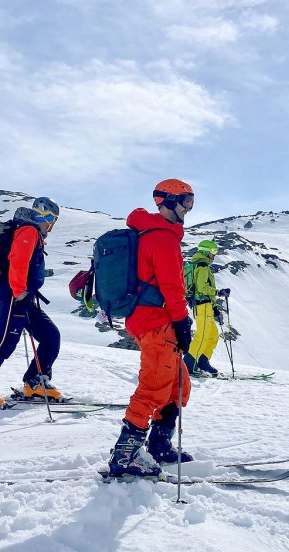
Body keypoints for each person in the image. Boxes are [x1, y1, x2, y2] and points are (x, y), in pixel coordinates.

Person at [107, 179, 195, 479]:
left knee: (178, 383)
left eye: (191, 201)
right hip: (158, 322)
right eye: (186, 200)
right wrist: (183, 323)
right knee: (154, 387)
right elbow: (173, 288)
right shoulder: (161, 237)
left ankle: (159, 443)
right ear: (167, 201)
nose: (188, 207)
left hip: (150, 320)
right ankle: (125, 455)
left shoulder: (154, 232)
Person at [0, 197, 62, 408]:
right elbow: (18, 261)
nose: (52, 225)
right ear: (46, 217)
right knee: (4, 341)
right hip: (16, 296)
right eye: (52, 219)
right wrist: (20, 293)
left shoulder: (31, 232)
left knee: (50, 336)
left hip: (23, 296)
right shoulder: (29, 231)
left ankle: (35, 382)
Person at [183, 239, 231, 376]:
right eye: (213, 251)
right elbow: (202, 287)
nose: (214, 254)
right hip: (202, 306)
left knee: (213, 335)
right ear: (205, 251)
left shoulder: (204, 266)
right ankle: (188, 365)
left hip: (207, 306)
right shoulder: (202, 266)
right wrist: (218, 292)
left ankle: (202, 361)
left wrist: (214, 307)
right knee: (202, 335)